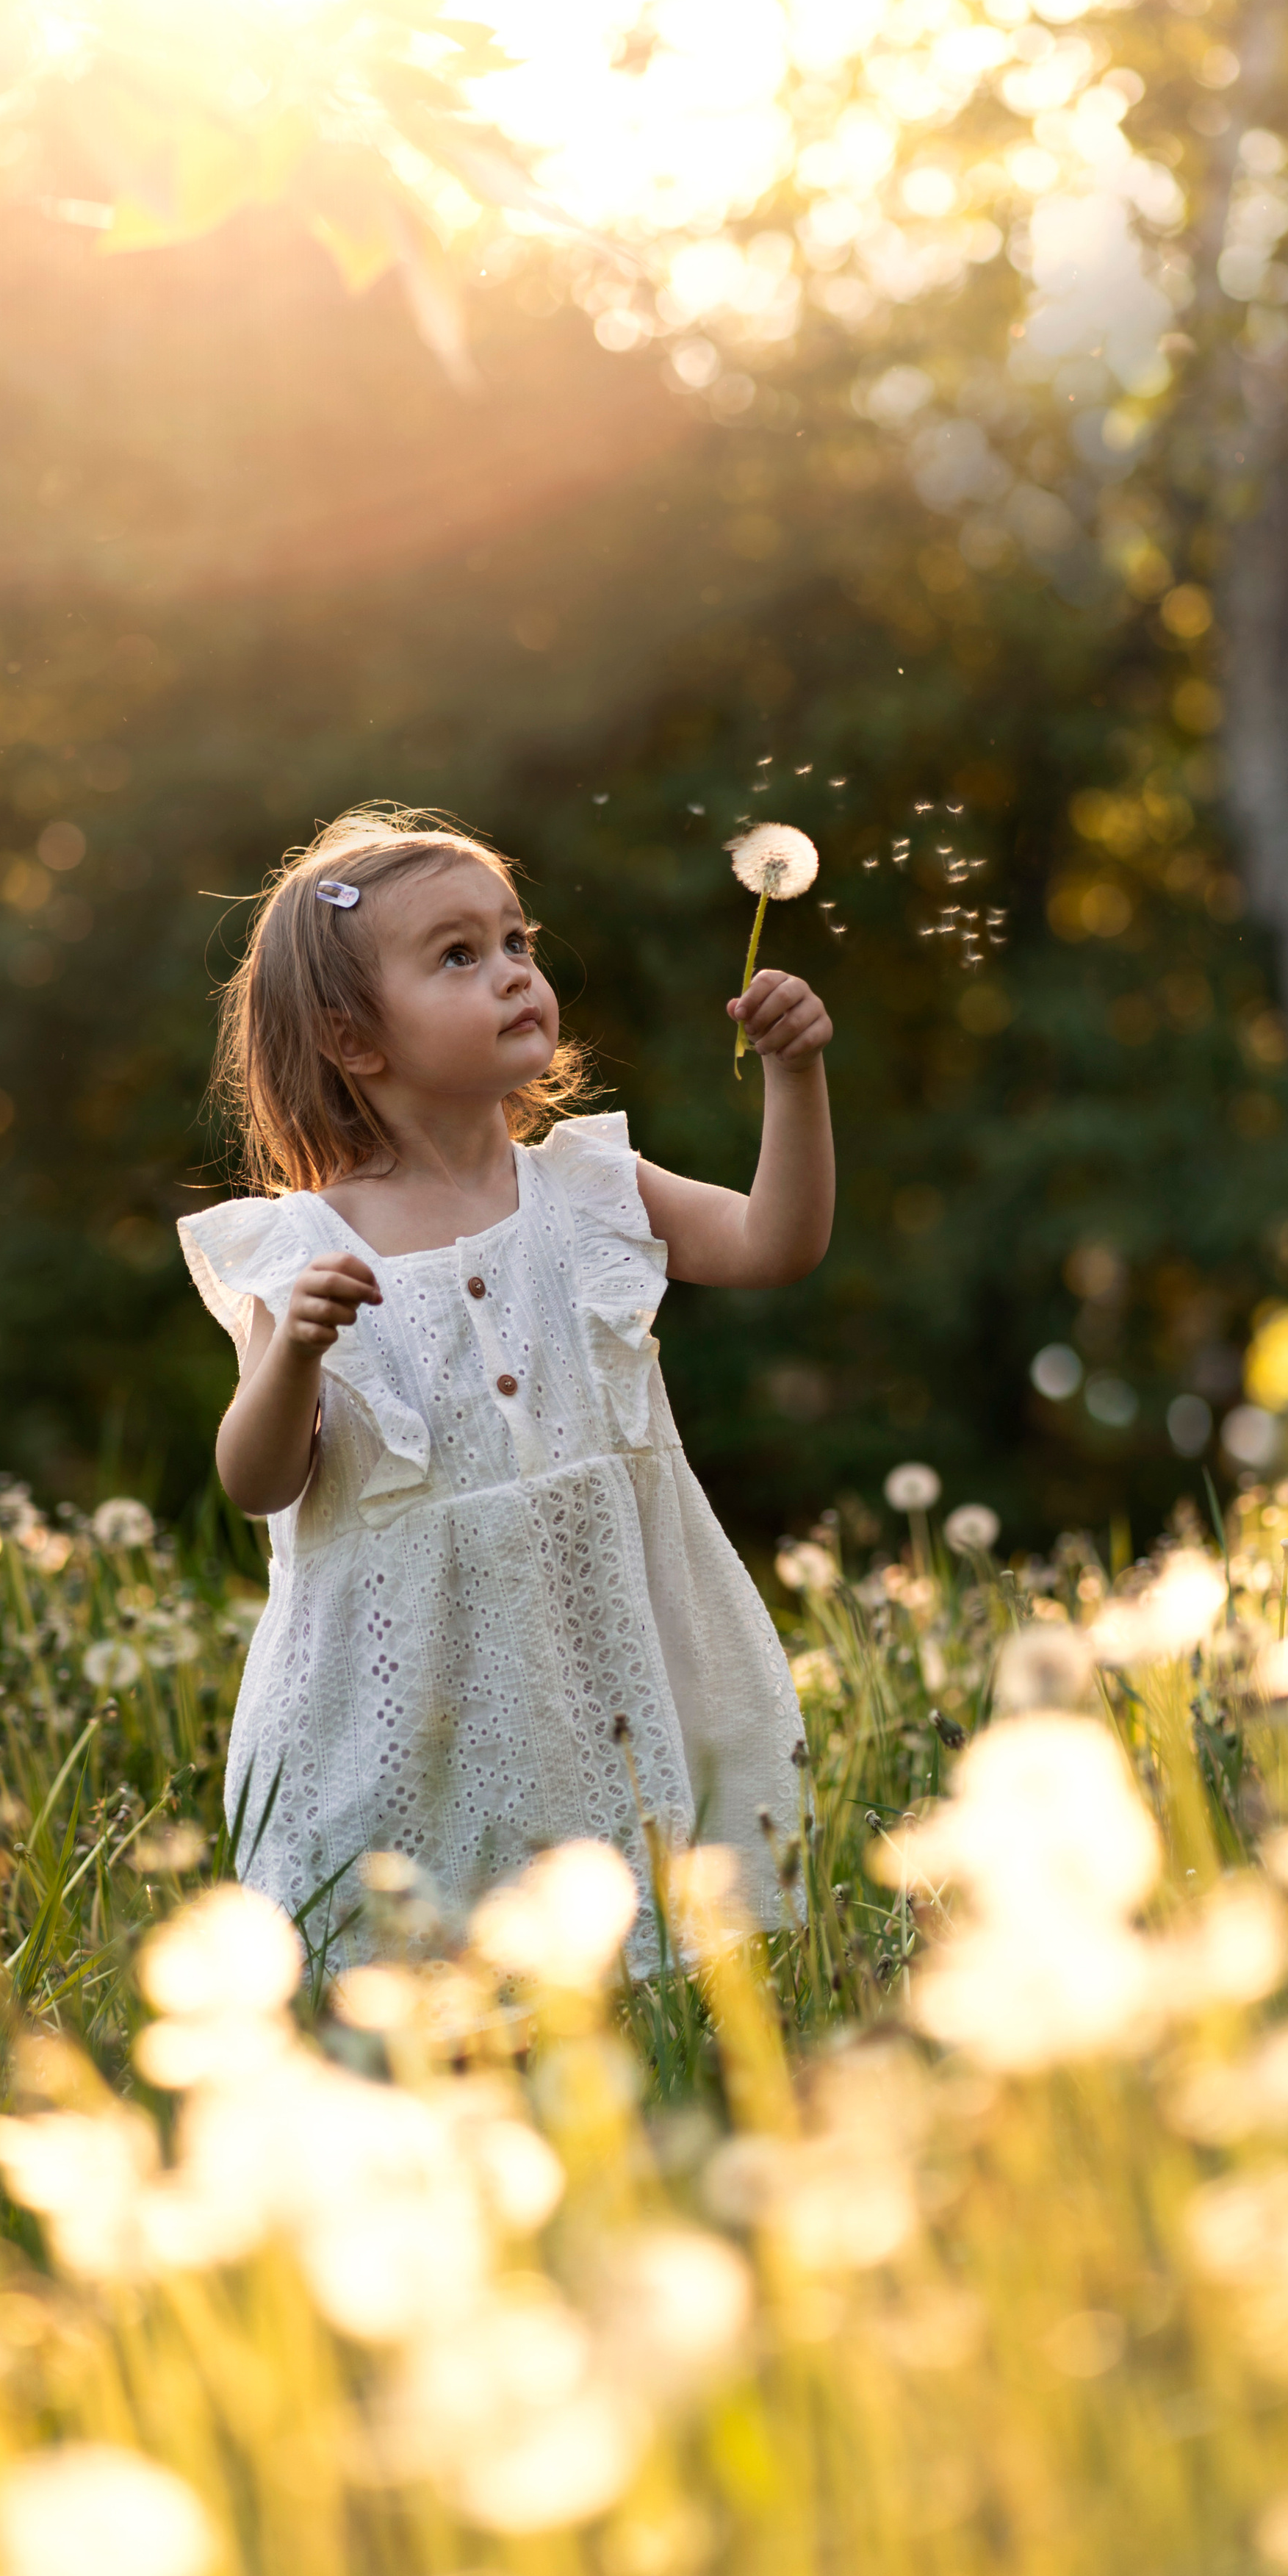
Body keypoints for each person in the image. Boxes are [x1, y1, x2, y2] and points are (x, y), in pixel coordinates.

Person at [179, 803, 834, 1965]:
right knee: (432, 1969)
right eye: (458, 955)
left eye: (517, 940)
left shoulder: (589, 1188)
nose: (515, 971)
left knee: (634, 1938)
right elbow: (256, 1480)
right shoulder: (303, 1250)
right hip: (407, 1697)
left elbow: (773, 1245)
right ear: (352, 1039)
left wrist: (796, 1077)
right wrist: (293, 1357)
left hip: (604, 1661)